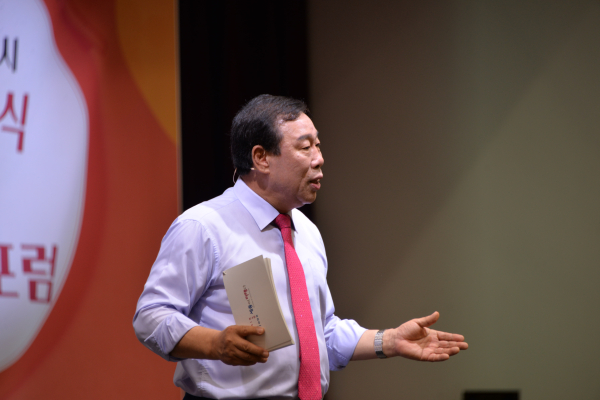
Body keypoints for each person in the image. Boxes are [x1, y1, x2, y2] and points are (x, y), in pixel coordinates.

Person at [133, 94, 468, 400]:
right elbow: (151, 317)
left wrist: (389, 341)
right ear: (261, 158)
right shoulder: (203, 226)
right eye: (305, 147)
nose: (319, 159)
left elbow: (321, 334)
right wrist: (214, 344)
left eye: (318, 146)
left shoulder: (306, 231)